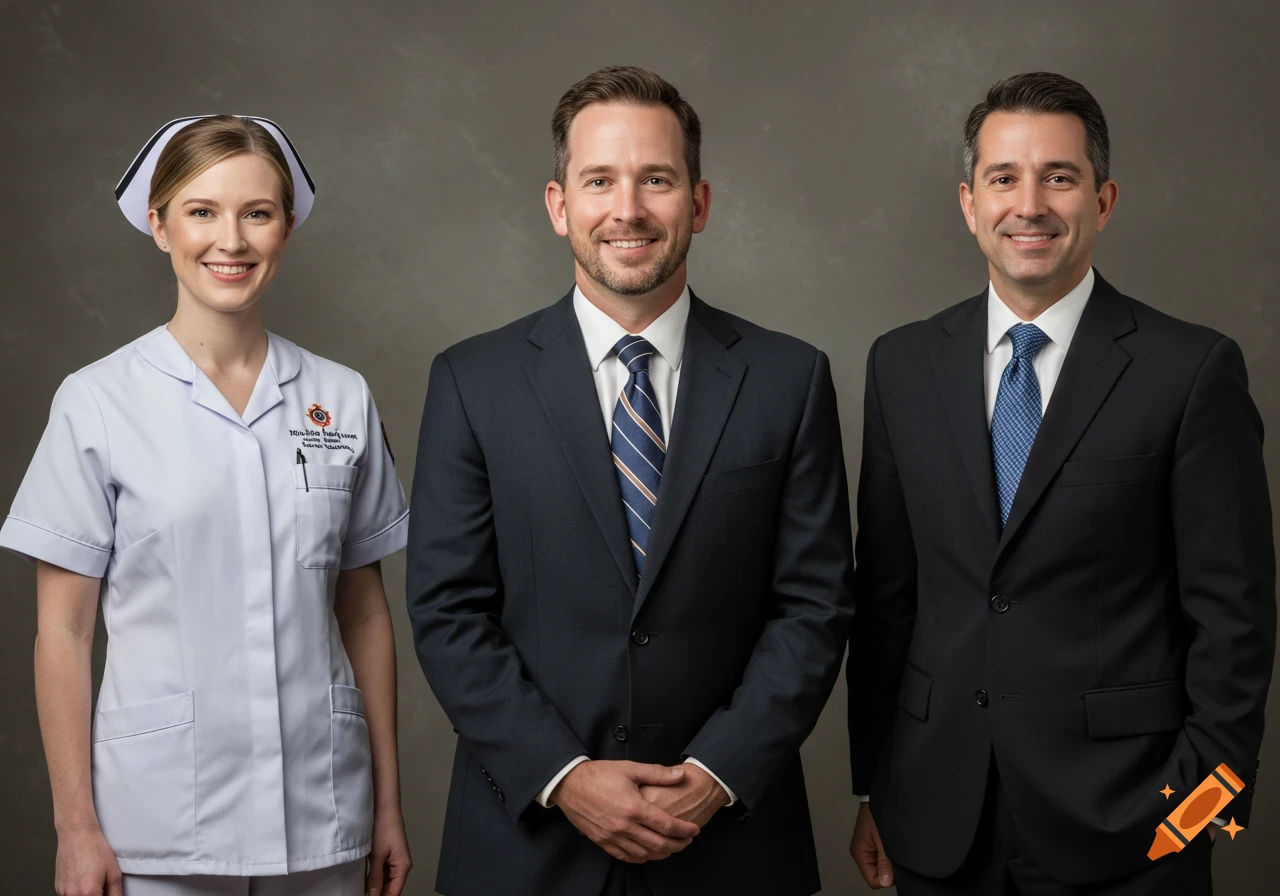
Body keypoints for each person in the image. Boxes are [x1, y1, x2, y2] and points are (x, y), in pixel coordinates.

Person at [406, 66, 855, 896]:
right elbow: (447, 609)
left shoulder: (789, 379)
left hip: (732, 848)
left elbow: (815, 607)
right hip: (526, 848)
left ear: (700, 201)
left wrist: (719, 770)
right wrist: (564, 774)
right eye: (599, 180)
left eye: (657, 179)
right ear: (558, 205)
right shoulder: (474, 381)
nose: (628, 209)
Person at [846, 72, 1275, 895]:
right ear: (970, 203)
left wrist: (1197, 821)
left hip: (1136, 835)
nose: (1030, 204)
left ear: (1104, 200)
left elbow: (1238, 627)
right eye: (1004, 178)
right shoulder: (900, 366)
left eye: (1060, 177)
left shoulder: (1190, 371)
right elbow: (888, 604)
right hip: (937, 825)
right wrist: (876, 790)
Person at [1, 116, 412, 896]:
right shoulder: (96, 402)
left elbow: (364, 615)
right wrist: (75, 828)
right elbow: (63, 629)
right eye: (202, 211)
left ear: (286, 228)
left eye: (257, 213)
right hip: (157, 831)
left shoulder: (341, 396)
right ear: (159, 226)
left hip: (322, 822)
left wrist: (386, 807)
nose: (232, 239)